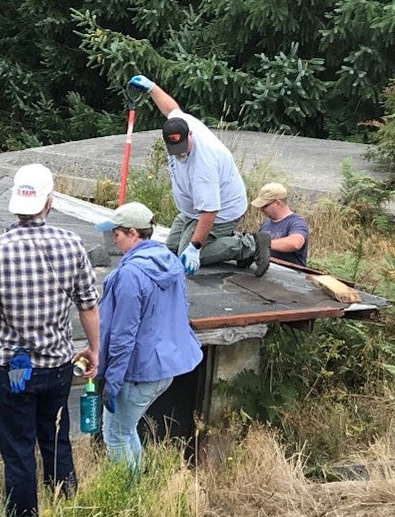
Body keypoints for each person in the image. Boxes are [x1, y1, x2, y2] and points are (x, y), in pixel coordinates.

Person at [0, 163, 101, 517]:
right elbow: (88, 303)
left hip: (14, 370)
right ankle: (67, 515)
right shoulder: (72, 243)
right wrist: (94, 349)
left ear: (15, 204)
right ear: (49, 202)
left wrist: (6, 301)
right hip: (57, 365)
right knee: (58, 443)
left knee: (18, 450)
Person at [94, 202, 203, 471]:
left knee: (115, 435)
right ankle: (138, 487)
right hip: (166, 364)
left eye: (116, 234)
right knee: (127, 429)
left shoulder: (131, 274)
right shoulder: (169, 262)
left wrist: (112, 380)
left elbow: (123, 334)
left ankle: (127, 497)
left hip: (138, 370)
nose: (114, 241)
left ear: (133, 233)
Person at [127, 74, 271, 277]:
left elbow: (210, 212)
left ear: (191, 135)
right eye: (175, 149)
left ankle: (249, 244)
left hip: (222, 211)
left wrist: (195, 248)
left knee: (186, 255)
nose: (180, 153)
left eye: (183, 148)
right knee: (171, 248)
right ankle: (228, 244)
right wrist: (151, 88)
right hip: (192, 210)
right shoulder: (180, 123)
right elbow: (171, 109)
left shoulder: (203, 164)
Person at [252, 182, 310, 267]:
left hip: (289, 275)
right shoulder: (266, 223)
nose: (261, 210)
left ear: (277, 203)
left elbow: (295, 243)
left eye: (264, 206)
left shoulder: (296, 222)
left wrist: (264, 243)